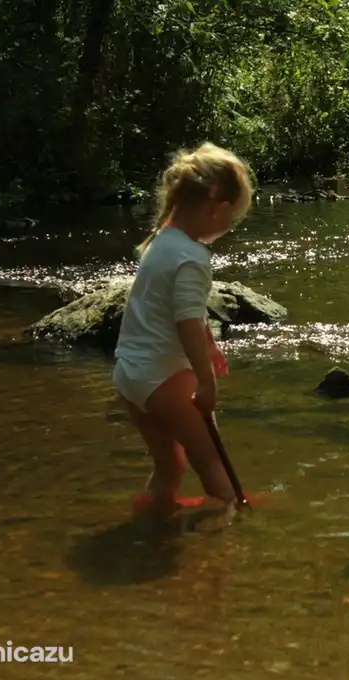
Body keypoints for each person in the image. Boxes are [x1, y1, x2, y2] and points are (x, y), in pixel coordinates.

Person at [113, 142, 254, 518]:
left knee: (170, 465)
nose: (230, 226)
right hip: (164, 376)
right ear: (218, 209)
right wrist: (206, 381)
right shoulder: (193, 258)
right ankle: (233, 519)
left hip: (130, 373)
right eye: (233, 218)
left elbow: (172, 310)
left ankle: (152, 521)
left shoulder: (163, 242)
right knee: (210, 460)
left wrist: (209, 346)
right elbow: (187, 322)